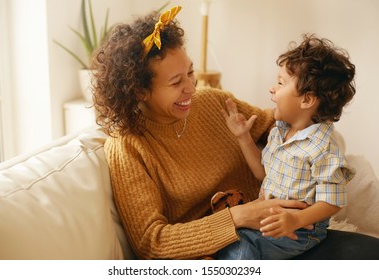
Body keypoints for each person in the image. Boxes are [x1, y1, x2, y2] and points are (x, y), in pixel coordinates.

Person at [91, 6, 309, 260]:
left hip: (282, 231)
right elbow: (152, 242)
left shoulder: (213, 102)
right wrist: (239, 217)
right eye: (176, 83)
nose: (191, 89)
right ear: (140, 91)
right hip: (224, 255)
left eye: (191, 73)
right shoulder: (127, 147)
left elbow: (275, 123)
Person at [218, 34, 356, 260]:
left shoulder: (323, 147)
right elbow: (262, 173)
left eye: (281, 83)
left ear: (307, 100)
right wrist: (243, 137)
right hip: (270, 217)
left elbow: (333, 201)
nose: (272, 89)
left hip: (300, 231)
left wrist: (296, 220)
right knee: (224, 236)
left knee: (240, 248)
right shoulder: (279, 131)